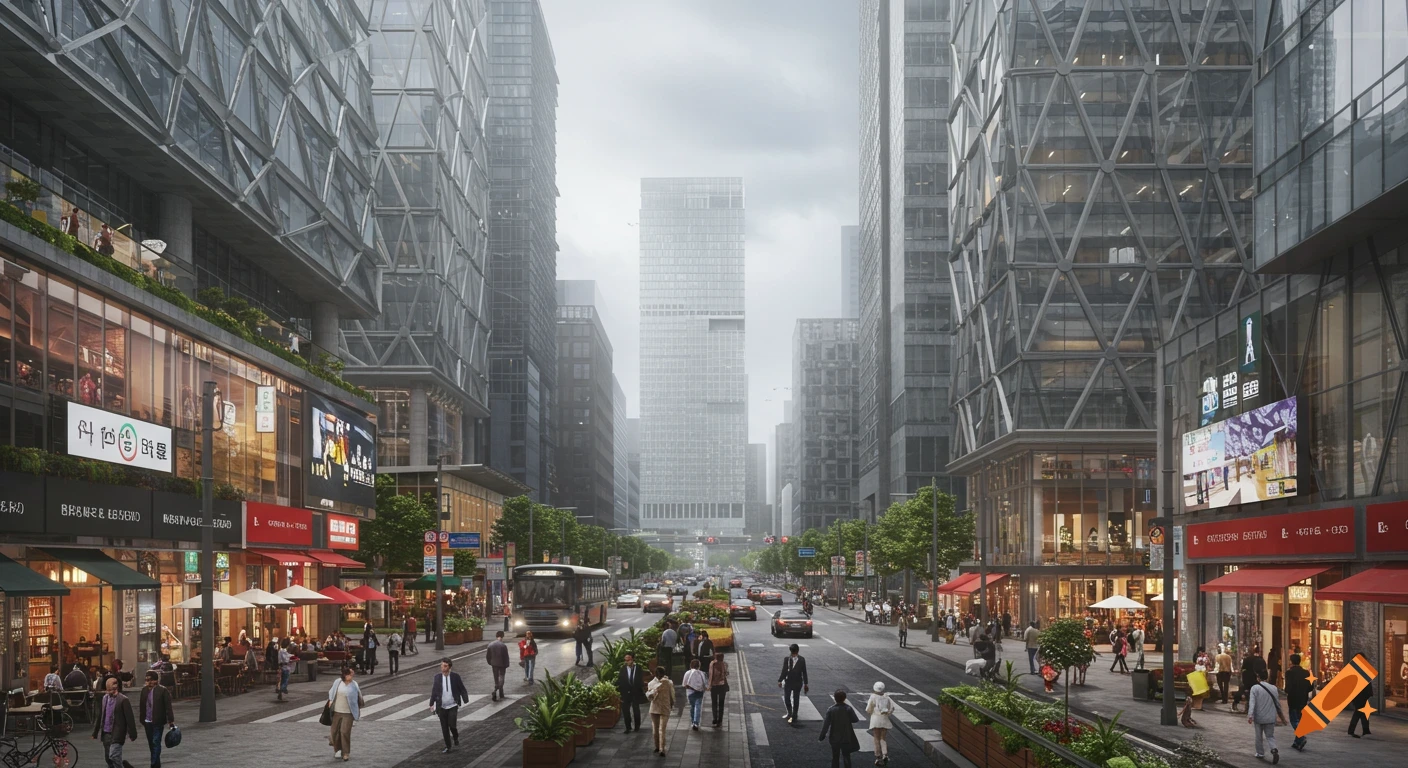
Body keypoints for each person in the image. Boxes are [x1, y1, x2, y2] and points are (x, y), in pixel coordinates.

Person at [92, 676, 137, 768]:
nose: (110, 692)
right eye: (108, 690)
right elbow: (101, 715)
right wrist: (95, 732)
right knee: (108, 758)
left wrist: (132, 734)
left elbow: (130, 718)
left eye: (112, 689)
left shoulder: (123, 700)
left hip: (117, 733)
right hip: (106, 733)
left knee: (114, 755)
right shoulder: (105, 698)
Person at [428, 658, 469, 753]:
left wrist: (465, 698)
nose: (443, 668)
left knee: (452, 725)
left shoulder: (455, 677)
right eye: (442, 666)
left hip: (453, 705)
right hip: (441, 706)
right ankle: (448, 746)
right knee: (444, 727)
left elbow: (462, 688)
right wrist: (431, 704)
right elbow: (434, 691)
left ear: (449, 667)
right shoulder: (437, 677)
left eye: (445, 666)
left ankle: (455, 736)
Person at [1247, 667, 1286, 763]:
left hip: (1259, 716)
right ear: (1267, 677)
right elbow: (1277, 704)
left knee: (1258, 736)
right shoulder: (1274, 688)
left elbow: (1252, 703)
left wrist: (1250, 715)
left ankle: (1260, 753)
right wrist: (1282, 717)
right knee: (1270, 736)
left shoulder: (1254, 688)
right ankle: (1274, 749)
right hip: (1270, 717)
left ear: (1258, 677)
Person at [138, 670, 174, 768]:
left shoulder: (162, 690)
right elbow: (142, 705)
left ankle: (153, 764)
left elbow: (168, 706)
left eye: (150, 680)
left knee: (155, 742)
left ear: (156, 680)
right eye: (146, 680)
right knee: (151, 744)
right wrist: (142, 719)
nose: (148, 682)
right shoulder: (144, 691)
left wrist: (170, 720)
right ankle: (156, 764)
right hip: (147, 721)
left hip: (158, 721)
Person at [326, 666, 362, 762]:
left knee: (344, 732)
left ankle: (346, 753)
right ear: (345, 675)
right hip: (337, 711)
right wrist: (331, 700)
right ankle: (337, 749)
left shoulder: (354, 684)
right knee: (334, 732)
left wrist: (357, 710)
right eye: (350, 674)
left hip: (348, 712)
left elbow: (359, 696)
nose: (352, 675)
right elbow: (332, 692)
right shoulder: (338, 682)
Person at [818, 690, 861, 768]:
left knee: (835, 757)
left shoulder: (831, 709)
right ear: (844, 698)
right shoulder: (848, 708)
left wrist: (822, 736)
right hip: (846, 737)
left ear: (834, 698)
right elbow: (855, 720)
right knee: (846, 756)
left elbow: (826, 725)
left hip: (834, 737)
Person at [1284, 653, 1312, 752]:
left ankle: (1301, 737)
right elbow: (1311, 687)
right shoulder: (1306, 673)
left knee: (1293, 720)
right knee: (1299, 720)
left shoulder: (1289, 672)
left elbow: (1288, 687)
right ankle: (1297, 742)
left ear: (1291, 662)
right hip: (1303, 699)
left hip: (1293, 699)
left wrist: (1286, 691)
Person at [616, 652, 647, 734]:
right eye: (625, 660)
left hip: (635, 692)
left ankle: (637, 726)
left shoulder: (638, 668)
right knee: (625, 710)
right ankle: (628, 727)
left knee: (636, 709)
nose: (627, 661)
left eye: (628, 659)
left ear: (632, 659)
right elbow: (620, 680)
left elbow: (640, 680)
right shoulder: (623, 669)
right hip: (625, 693)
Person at [647, 667, 675, 757]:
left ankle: (657, 747)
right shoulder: (668, 682)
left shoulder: (651, 683)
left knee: (655, 729)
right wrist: (672, 704)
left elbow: (649, 697)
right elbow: (672, 695)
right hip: (665, 708)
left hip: (654, 708)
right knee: (661, 729)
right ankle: (662, 749)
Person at [778, 643, 809, 724]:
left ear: (798, 651)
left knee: (796, 699)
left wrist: (806, 684)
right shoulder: (787, 659)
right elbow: (784, 670)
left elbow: (804, 672)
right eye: (792, 652)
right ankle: (789, 712)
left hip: (798, 682)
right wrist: (780, 680)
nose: (794, 654)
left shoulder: (802, 659)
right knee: (787, 698)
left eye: (795, 652)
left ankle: (794, 714)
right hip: (788, 682)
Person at [1233, 644, 1268, 713]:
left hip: (1247, 678)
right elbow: (1264, 669)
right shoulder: (1261, 660)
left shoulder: (1247, 659)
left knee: (1246, 691)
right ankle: (1252, 707)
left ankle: (1241, 705)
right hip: (1257, 679)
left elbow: (1243, 668)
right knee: (1255, 693)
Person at [486, 630, 511, 701]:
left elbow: (488, 656)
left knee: (496, 678)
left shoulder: (490, 645)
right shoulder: (503, 645)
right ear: (502, 636)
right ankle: (500, 691)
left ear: (496, 636)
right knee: (502, 677)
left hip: (494, 664)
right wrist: (507, 664)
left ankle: (496, 689)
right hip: (502, 664)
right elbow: (506, 656)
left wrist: (490, 662)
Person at [683, 659, 708, 730]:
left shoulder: (687, 673)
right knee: (698, 707)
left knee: (692, 706)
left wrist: (691, 687)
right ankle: (696, 722)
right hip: (699, 693)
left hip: (690, 693)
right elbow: (705, 684)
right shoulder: (702, 673)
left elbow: (684, 685)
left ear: (690, 665)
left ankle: (692, 721)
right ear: (699, 666)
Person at [707, 652, 730, 728]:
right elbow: (726, 673)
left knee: (714, 703)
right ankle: (720, 720)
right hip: (722, 686)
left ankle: (715, 718)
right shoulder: (725, 664)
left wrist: (709, 685)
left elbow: (710, 675)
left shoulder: (712, 664)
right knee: (721, 703)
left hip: (714, 686)